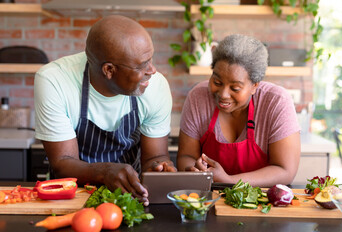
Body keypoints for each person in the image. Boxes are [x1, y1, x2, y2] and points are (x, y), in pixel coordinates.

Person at [34, 15, 176, 206]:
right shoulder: (55, 80)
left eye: (150, 60)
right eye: (142, 65)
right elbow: (62, 163)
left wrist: (160, 169)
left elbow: (154, 157)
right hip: (69, 197)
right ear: (109, 70)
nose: (152, 70)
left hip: (130, 198)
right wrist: (105, 172)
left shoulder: (155, 86)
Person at [177, 34, 301, 187]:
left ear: (255, 86)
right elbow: (186, 156)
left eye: (235, 88)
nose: (223, 94)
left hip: (262, 203)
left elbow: (285, 171)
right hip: (209, 198)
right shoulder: (198, 97)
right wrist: (194, 170)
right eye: (217, 82)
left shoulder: (276, 102)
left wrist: (229, 181)